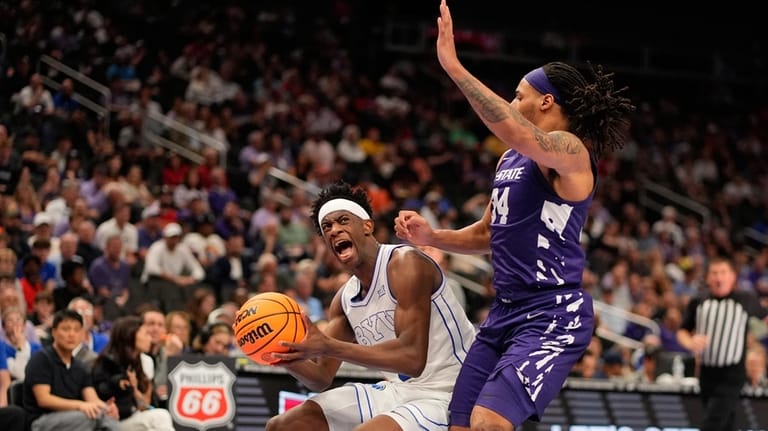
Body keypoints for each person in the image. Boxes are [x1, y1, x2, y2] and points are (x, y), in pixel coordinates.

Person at [393, 2, 635, 429]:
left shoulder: (571, 152)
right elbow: (488, 232)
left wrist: (453, 67)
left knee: (489, 421)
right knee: (461, 424)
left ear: (546, 102)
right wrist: (434, 235)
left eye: (518, 95)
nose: (511, 101)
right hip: (504, 311)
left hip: (552, 312)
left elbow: (515, 129)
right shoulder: (511, 158)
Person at [265, 182, 477, 431]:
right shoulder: (344, 300)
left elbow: (412, 359)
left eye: (343, 220)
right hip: (399, 391)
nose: (334, 230)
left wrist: (329, 346)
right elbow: (321, 377)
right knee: (283, 425)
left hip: (450, 393)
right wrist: (285, 356)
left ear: (367, 225)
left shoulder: (406, 264)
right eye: (327, 227)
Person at [677, 257, 768, 431]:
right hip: (706, 371)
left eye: (723, 273)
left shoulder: (745, 299)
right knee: (725, 422)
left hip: (732, 372)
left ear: (732, 276)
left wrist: (756, 335)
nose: (719, 278)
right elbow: (682, 331)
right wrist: (690, 342)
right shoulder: (698, 301)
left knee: (713, 421)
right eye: (714, 273)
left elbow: (764, 317)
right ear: (708, 277)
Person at [22, 309, 120, 431]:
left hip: (74, 418)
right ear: (54, 332)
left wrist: (106, 408)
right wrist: (80, 405)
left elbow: (92, 399)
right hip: (42, 420)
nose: (71, 334)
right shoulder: (41, 359)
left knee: (107, 416)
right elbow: (44, 399)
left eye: (77, 330)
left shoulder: (80, 366)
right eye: (66, 329)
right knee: (89, 417)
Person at [91, 315, 175, 430]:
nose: (150, 339)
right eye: (145, 334)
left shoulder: (143, 362)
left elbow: (145, 405)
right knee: (160, 416)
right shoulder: (107, 362)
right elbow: (100, 391)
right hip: (111, 420)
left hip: (134, 416)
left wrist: (134, 389)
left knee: (158, 419)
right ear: (130, 336)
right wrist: (117, 384)